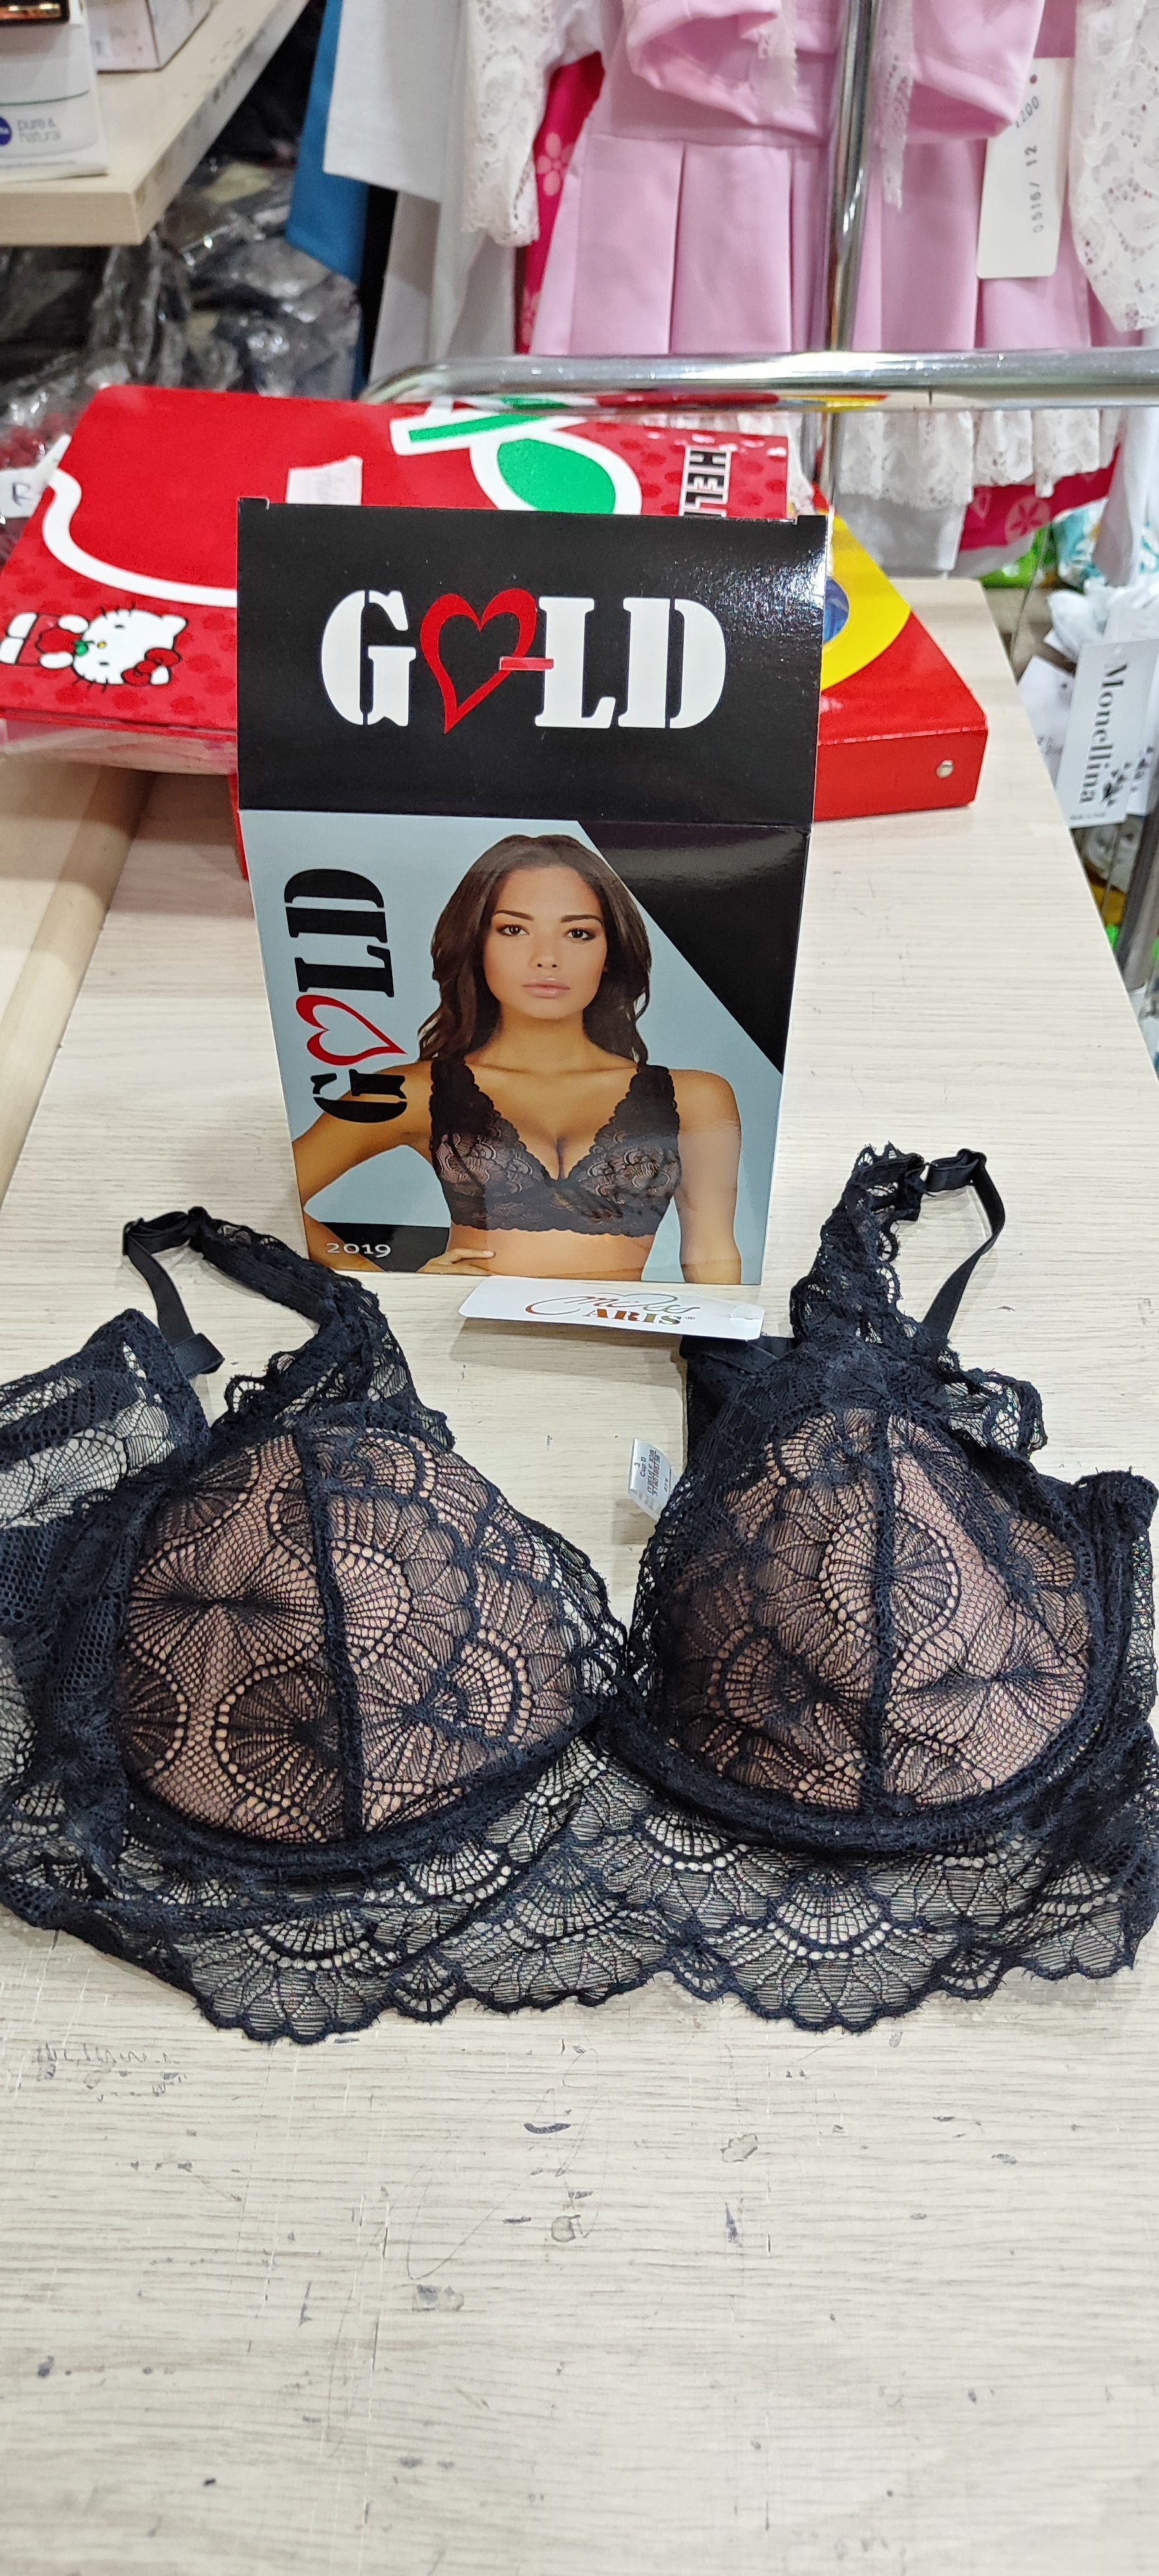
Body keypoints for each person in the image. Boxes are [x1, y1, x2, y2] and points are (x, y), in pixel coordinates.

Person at [294, 831, 743, 1282]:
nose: (547, 958)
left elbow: (712, 1253)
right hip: (463, 1324)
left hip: (614, 1330)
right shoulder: (416, 1090)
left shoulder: (695, 1098)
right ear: (478, 944)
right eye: (514, 929)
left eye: (578, 933)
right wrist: (385, 1286)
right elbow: (273, 1194)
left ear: (609, 952)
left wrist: (725, 1327)